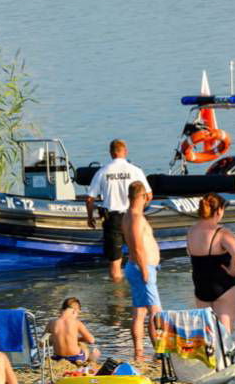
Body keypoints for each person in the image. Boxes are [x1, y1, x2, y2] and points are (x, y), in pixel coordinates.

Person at [86, 139, 151, 282]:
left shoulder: (102, 172)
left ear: (110, 153)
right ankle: (143, 282)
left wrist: (90, 217)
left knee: (115, 262)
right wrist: (140, 210)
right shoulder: (135, 170)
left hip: (113, 220)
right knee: (139, 254)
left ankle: (117, 297)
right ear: (125, 151)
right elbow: (149, 195)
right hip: (133, 216)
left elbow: (90, 199)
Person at [186, 193, 235, 330]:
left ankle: (211, 351)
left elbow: (189, 252)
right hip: (222, 284)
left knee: (207, 329)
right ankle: (225, 351)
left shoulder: (191, 232)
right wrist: (233, 270)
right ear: (218, 211)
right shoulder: (222, 232)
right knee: (225, 329)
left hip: (200, 284)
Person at [122, 181, 161, 360]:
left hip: (135, 266)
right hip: (141, 267)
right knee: (155, 311)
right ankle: (160, 350)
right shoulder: (136, 217)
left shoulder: (127, 215)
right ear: (143, 196)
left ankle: (139, 352)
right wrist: (145, 270)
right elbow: (137, 246)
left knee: (139, 311)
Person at [46, 297, 101, 364]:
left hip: (58, 358)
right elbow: (91, 340)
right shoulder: (76, 322)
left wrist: (54, 339)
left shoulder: (51, 323)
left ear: (62, 310)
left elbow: (42, 344)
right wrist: (78, 339)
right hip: (75, 357)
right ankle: (87, 363)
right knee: (92, 351)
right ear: (75, 311)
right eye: (78, 313)